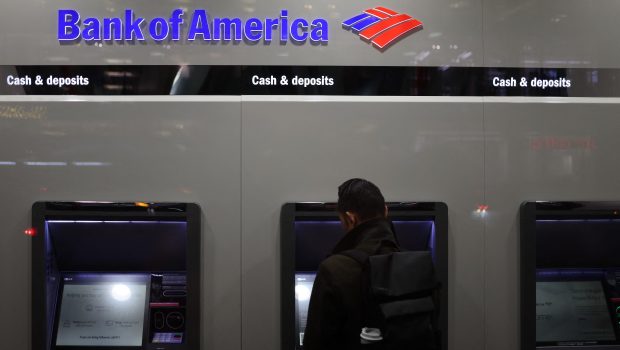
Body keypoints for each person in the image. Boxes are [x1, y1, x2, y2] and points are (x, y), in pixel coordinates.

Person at [303, 178, 400, 350]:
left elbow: (316, 343)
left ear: (350, 218)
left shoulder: (334, 270)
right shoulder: (417, 266)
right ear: (386, 211)